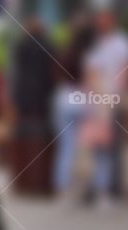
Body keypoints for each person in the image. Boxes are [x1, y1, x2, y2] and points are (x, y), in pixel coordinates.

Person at [83, 7, 128, 209]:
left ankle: (113, 186)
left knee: (114, 145)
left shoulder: (122, 43)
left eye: (104, 19)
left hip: (114, 99)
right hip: (99, 103)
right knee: (101, 144)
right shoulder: (98, 44)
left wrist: (119, 95)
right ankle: (101, 186)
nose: (101, 22)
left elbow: (127, 69)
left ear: (112, 20)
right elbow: (91, 72)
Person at [7, 15, 58, 196]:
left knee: (22, 139)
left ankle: (23, 182)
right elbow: (53, 74)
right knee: (43, 139)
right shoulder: (49, 46)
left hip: (24, 100)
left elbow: (16, 73)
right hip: (43, 100)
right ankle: (41, 183)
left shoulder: (21, 46)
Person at [53, 16, 95, 201]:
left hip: (64, 99)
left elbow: (56, 76)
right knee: (86, 147)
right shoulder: (91, 55)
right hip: (84, 100)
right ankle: (87, 186)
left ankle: (62, 187)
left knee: (65, 147)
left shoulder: (66, 52)